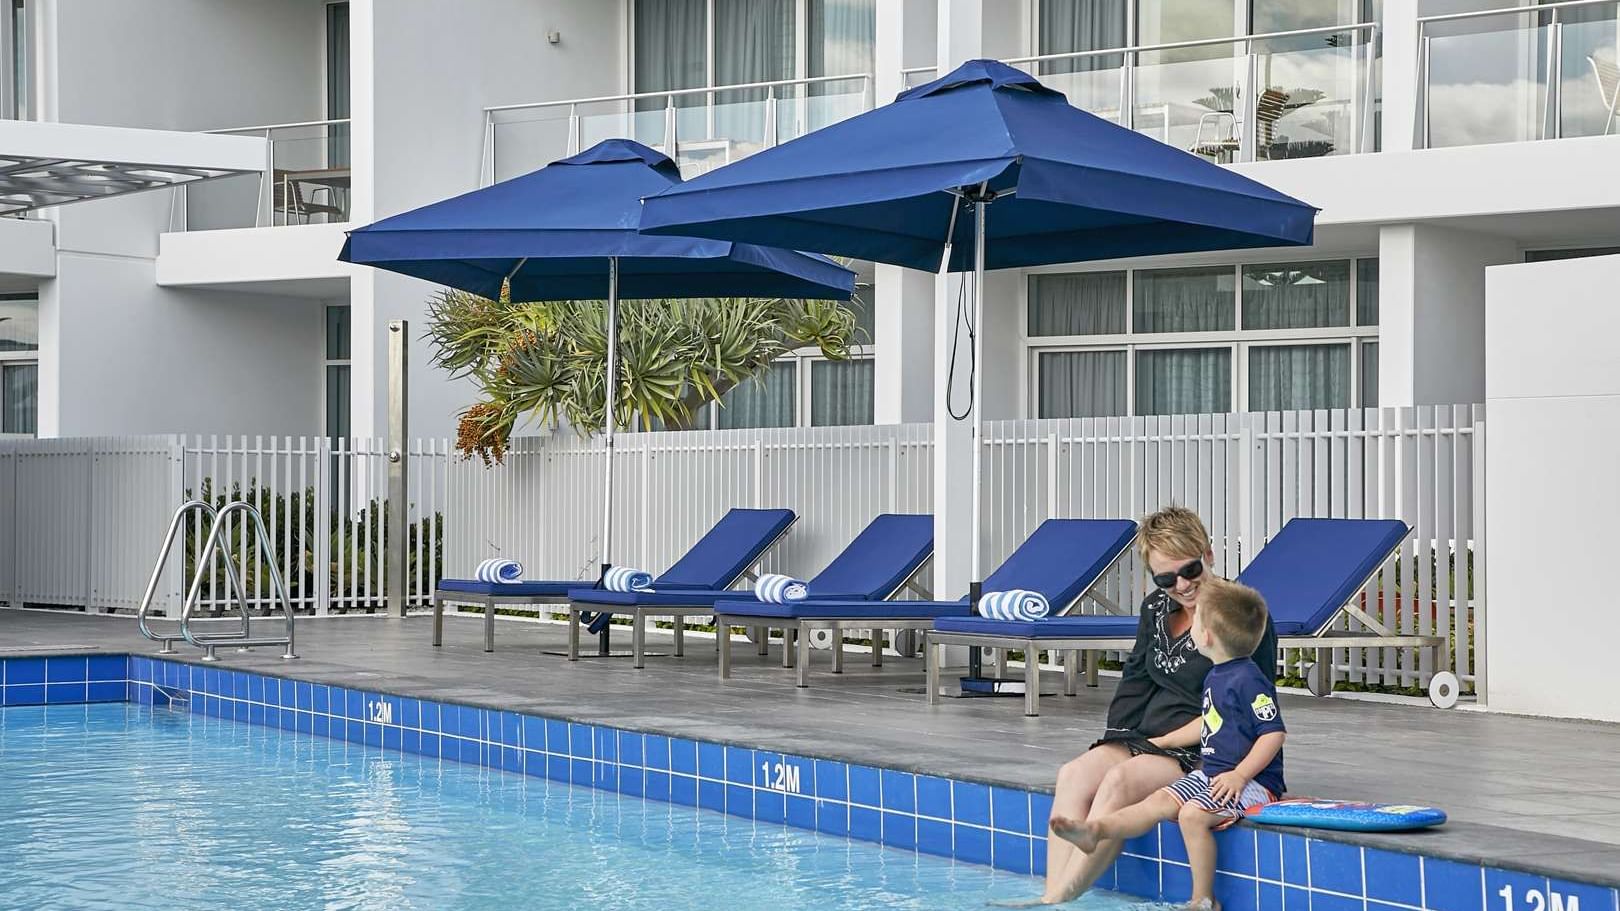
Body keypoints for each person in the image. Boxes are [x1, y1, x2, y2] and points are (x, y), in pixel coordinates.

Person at [1035, 507, 1277, 905]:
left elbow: (1250, 706)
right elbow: (1137, 677)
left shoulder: (1240, 614)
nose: (1181, 585)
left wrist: (1217, 763)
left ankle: (1065, 895)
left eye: (1191, 570)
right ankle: (1049, 893)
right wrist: (1117, 741)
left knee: (1120, 781)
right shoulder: (1155, 609)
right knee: (1075, 773)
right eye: (1166, 578)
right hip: (1149, 733)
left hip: (1199, 745)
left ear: (1209, 554)